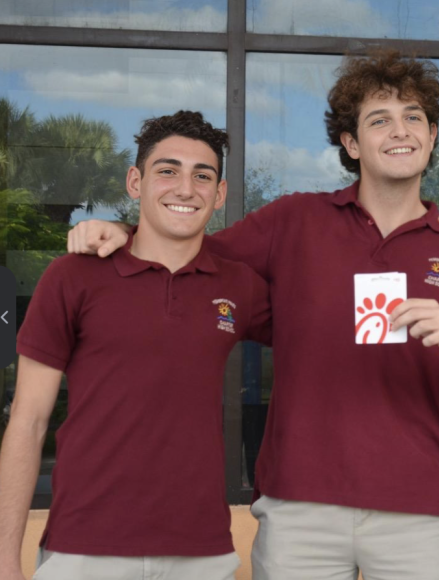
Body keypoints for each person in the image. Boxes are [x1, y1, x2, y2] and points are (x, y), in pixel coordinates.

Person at [65, 52, 439, 580]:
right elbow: (191, 253)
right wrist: (127, 235)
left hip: (421, 510)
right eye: (379, 119)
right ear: (350, 143)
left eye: (414, 117)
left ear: (432, 136)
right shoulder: (295, 220)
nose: (400, 131)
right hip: (300, 507)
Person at [0, 112, 269, 580]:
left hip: (201, 552)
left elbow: (322, 326)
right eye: (167, 171)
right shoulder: (72, 277)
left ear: (220, 194)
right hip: (84, 549)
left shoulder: (239, 286)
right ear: (135, 181)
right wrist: (4, 561)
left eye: (202, 176)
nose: (185, 188)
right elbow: (28, 421)